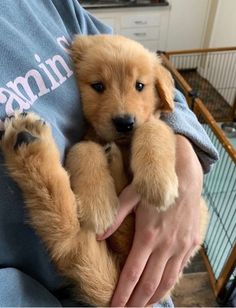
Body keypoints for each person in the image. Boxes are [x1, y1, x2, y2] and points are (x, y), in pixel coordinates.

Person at [0, 0, 218, 307]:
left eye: (138, 86)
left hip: (156, 272)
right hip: (75, 288)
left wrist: (186, 160)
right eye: (99, 86)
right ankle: (42, 180)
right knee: (84, 156)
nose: (122, 109)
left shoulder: (53, 7)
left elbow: (171, 101)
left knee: (152, 130)